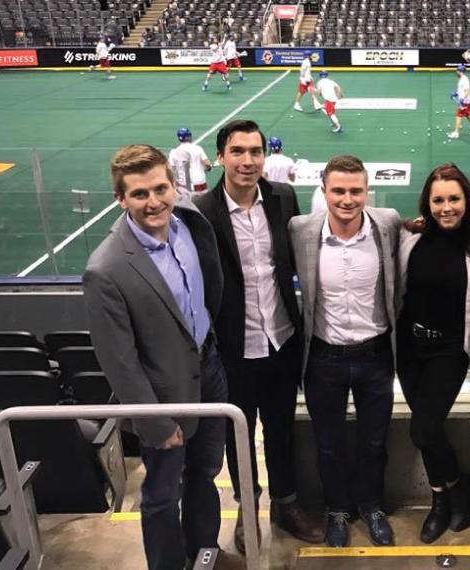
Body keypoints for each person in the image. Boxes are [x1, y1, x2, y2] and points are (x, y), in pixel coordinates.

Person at [83, 144, 239, 569]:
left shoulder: (189, 219)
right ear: (120, 198)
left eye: (160, 189)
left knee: (206, 474)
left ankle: (205, 552)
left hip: (209, 371)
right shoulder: (107, 268)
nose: (153, 202)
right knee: (161, 495)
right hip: (164, 397)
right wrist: (154, 420)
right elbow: (119, 360)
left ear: (174, 185)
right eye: (139, 194)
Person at [192, 120, 325, 555]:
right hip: (235, 347)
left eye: (255, 151)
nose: (248, 160)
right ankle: (247, 508)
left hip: (282, 339)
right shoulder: (200, 210)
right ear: (220, 157)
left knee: (282, 430)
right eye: (238, 151)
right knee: (239, 435)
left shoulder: (283, 197)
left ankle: (286, 505)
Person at [288, 155, 402, 548]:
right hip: (323, 359)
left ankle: (371, 506)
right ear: (324, 192)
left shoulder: (387, 223)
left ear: (367, 192)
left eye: (356, 191)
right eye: (339, 190)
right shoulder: (301, 230)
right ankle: (337, 508)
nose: (348, 199)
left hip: (375, 358)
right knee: (328, 444)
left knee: (375, 442)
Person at [397, 164, 470, 543]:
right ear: (427, 203)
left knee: (423, 427)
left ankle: (454, 492)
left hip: (450, 351)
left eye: (454, 198)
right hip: (409, 347)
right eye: (438, 200)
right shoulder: (410, 237)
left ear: (467, 200)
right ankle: (446, 494)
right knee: (425, 430)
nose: (446, 207)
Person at [168, 127, 212, 195]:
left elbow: (171, 170)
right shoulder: (198, 148)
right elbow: (207, 164)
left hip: (183, 187)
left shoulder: (173, 152)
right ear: (189, 136)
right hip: (199, 184)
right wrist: (208, 168)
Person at [448, 64, 470, 139]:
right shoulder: (462, 79)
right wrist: (456, 94)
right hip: (465, 101)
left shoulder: (464, 80)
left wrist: (462, 100)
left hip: (464, 102)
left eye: (457, 71)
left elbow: (467, 91)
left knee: (458, 115)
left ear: (460, 71)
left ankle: (456, 132)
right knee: (468, 114)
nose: (456, 72)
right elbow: (461, 90)